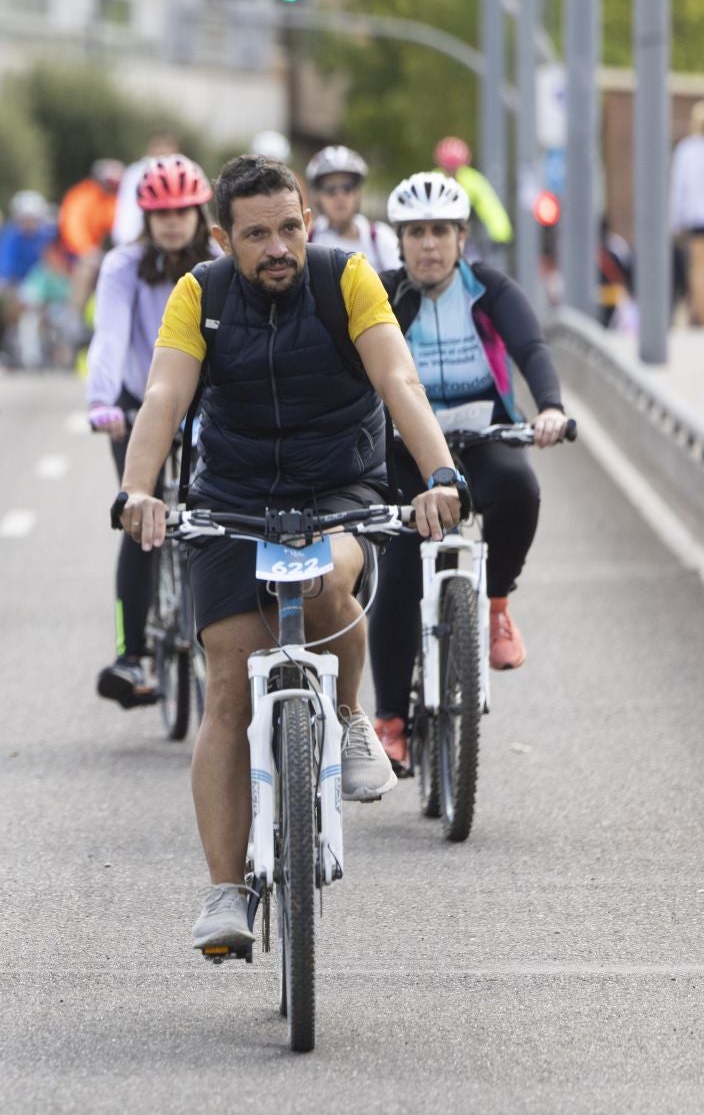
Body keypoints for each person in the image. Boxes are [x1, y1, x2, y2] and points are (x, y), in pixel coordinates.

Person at [113, 153, 467, 954]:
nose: (278, 248)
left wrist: (440, 474)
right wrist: (138, 491)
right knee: (227, 689)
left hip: (338, 487)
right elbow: (164, 395)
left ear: (308, 220)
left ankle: (350, 715)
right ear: (222, 239)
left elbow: (399, 380)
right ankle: (225, 891)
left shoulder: (348, 279)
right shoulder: (199, 294)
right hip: (232, 498)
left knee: (331, 576)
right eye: (256, 235)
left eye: (289, 228)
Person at [365, 172, 571, 766]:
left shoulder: (490, 289)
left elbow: (531, 349)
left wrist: (550, 407)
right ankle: (391, 721)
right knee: (398, 573)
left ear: (461, 238)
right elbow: (351, 370)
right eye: (416, 233)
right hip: (408, 450)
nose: (428, 244)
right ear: (400, 242)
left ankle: (497, 604)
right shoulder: (382, 296)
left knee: (519, 486)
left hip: (484, 437)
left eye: (441, 231)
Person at [85, 155, 219, 707]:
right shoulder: (123, 264)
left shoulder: (218, 261)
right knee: (140, 519)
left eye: (182, 212)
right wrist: (101, 400)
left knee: (216, 518)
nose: (171, 223)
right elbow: (110, 335)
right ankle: (132, 653)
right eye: (160, 213)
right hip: (137, 404)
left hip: (206, 404)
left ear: (199, 213)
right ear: (145, 216)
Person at [0, 190, 59, 365]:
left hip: (48, 290)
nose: (29, 223)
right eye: (24, 219)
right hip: (18, 290)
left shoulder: (48, 235)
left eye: (33, 218)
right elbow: (0, 267)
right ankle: (25, 355)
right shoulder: (9, 236)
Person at [306, 145, 400, 273]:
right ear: (316, 195)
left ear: (358, 193)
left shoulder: (380, 237)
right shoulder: (307, 239)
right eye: (330, 189)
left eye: (347, 187)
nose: (340, 196)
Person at [433, 137, 513, 261]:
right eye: (448, 169)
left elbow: (490, 206)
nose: (452, 174)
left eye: (455, 169)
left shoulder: (472, 181)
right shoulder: (433, 180)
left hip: (467, 238)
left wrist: (501, 234)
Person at [667, 101, 704, 326]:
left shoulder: (687, 150)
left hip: (696, 218)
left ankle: (700, 313)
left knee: (698, 268)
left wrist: (674, 222)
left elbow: (679, 188)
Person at [111, 130, 181, 248]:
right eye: (158, 146)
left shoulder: (185, 173)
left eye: (167, 146)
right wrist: (126, 241)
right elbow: (127, 208)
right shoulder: (134, 173)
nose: (162, 150)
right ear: (150, 148)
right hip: (135, 242)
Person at [58, 159, 124, 264]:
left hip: (94, 250)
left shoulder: (107, 199)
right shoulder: (84, 195)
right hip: (76, 253)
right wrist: (86, 249)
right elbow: (74, 224)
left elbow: (116, 220)